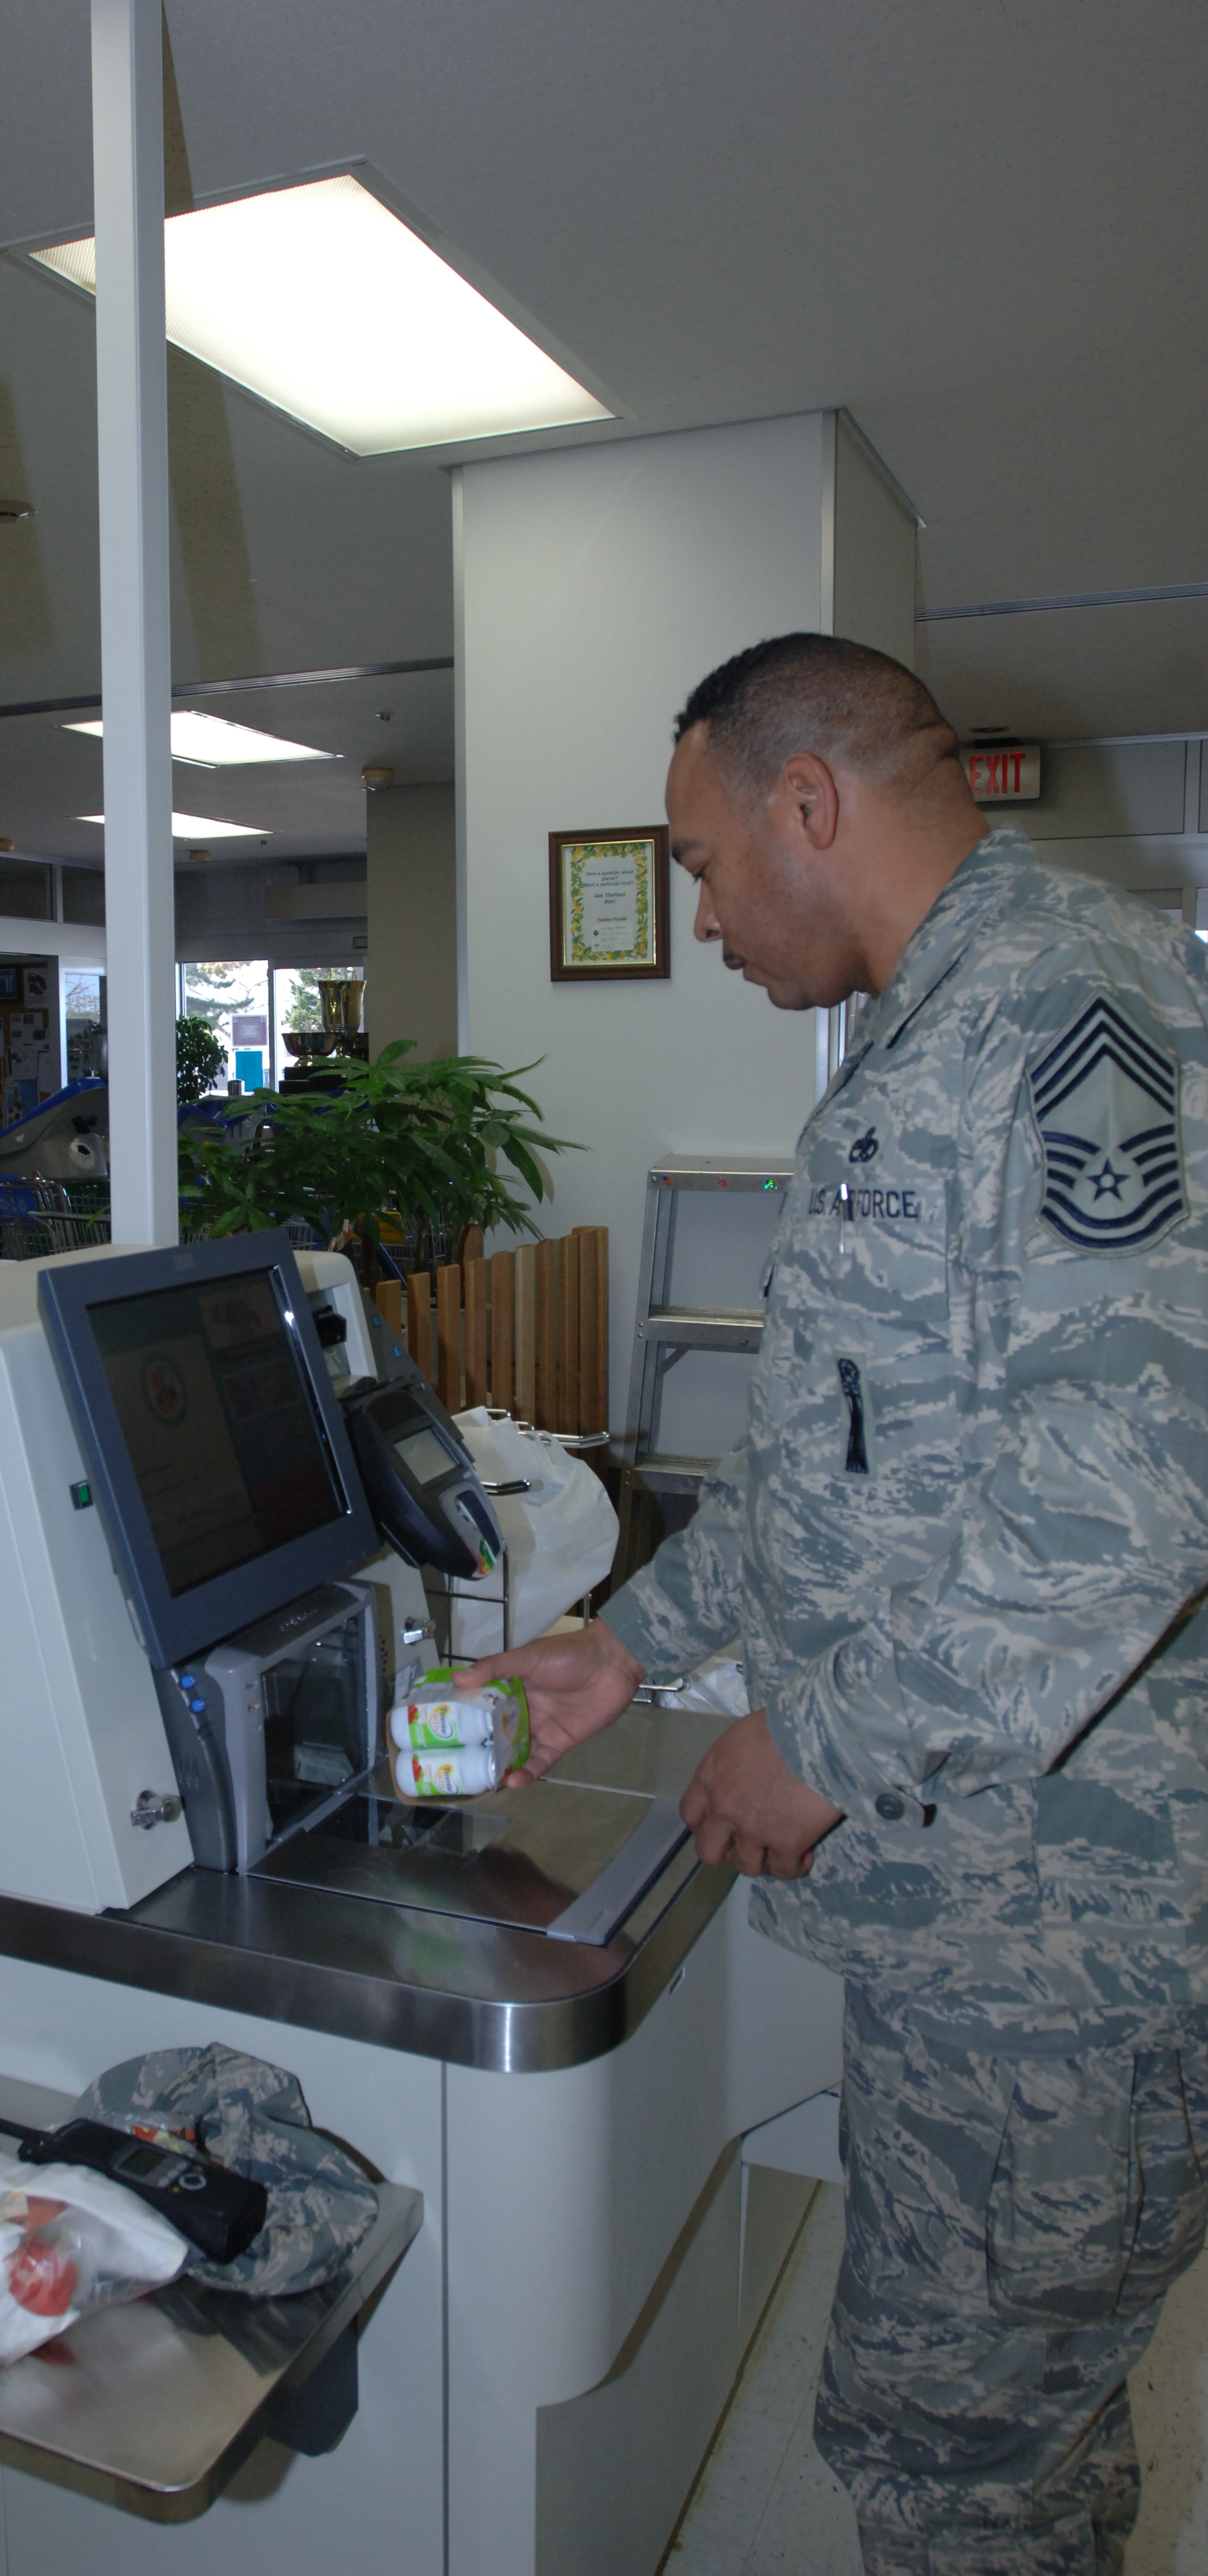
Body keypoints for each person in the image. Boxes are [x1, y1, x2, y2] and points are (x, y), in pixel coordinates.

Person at [468, 633, 1208, 2575]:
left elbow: (1129, 1493)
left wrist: (823, 1740)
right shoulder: (924, 1037)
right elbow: (842, 1465)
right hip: (975, 1905)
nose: (705, 918)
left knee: (963, 2463)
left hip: (1065, 1933)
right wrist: (634, 1636)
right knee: (997, 2434)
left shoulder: (1078, 1010)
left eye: (704, 866)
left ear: (810, 802)